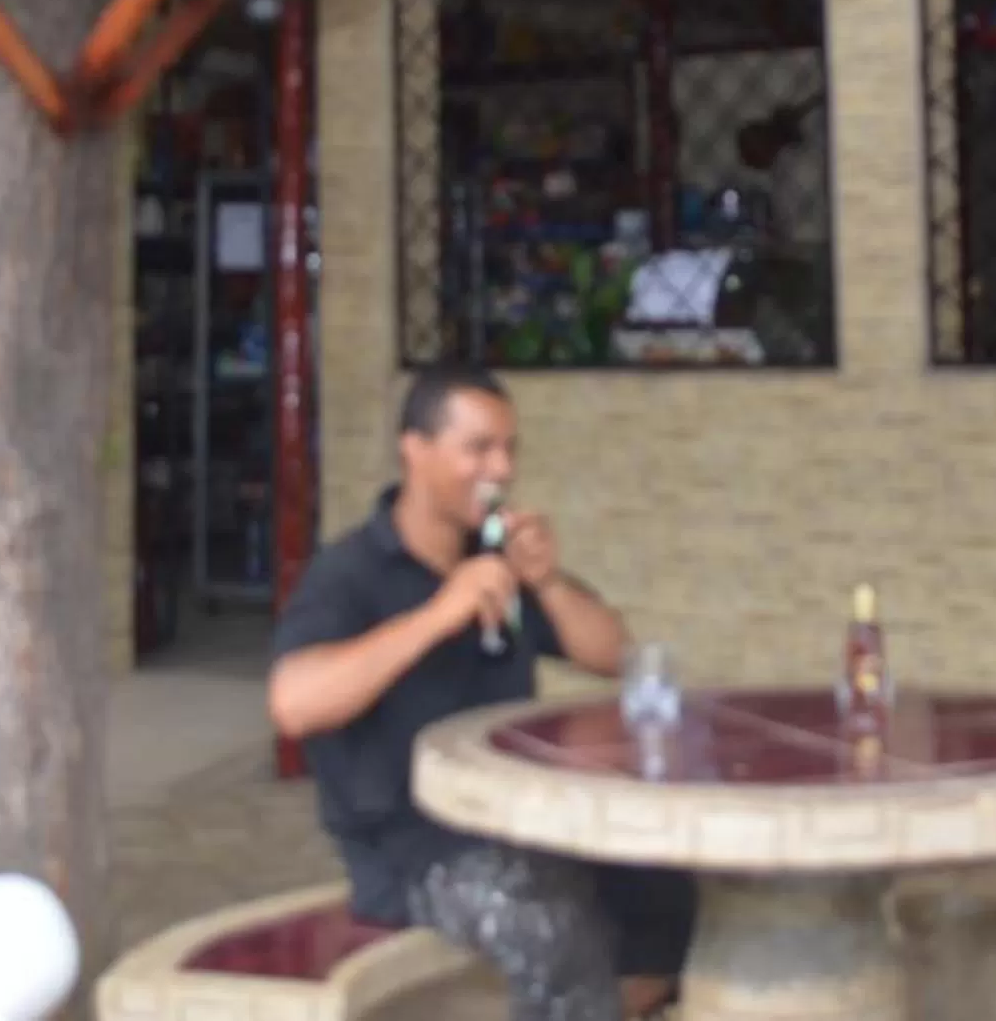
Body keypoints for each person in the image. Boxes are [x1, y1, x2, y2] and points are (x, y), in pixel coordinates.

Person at [269, 364, 695, 1021]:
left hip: (521, 824)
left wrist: (546, 581)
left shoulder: (498, 560)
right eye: (479, 448)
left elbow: (614, 655)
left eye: (509, 448)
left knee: (668, 881)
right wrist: (440, 614)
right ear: (416, 450)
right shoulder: (350, 573)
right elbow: (293, 703)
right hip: (413, 852)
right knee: (552, 931)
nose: (500, 468)